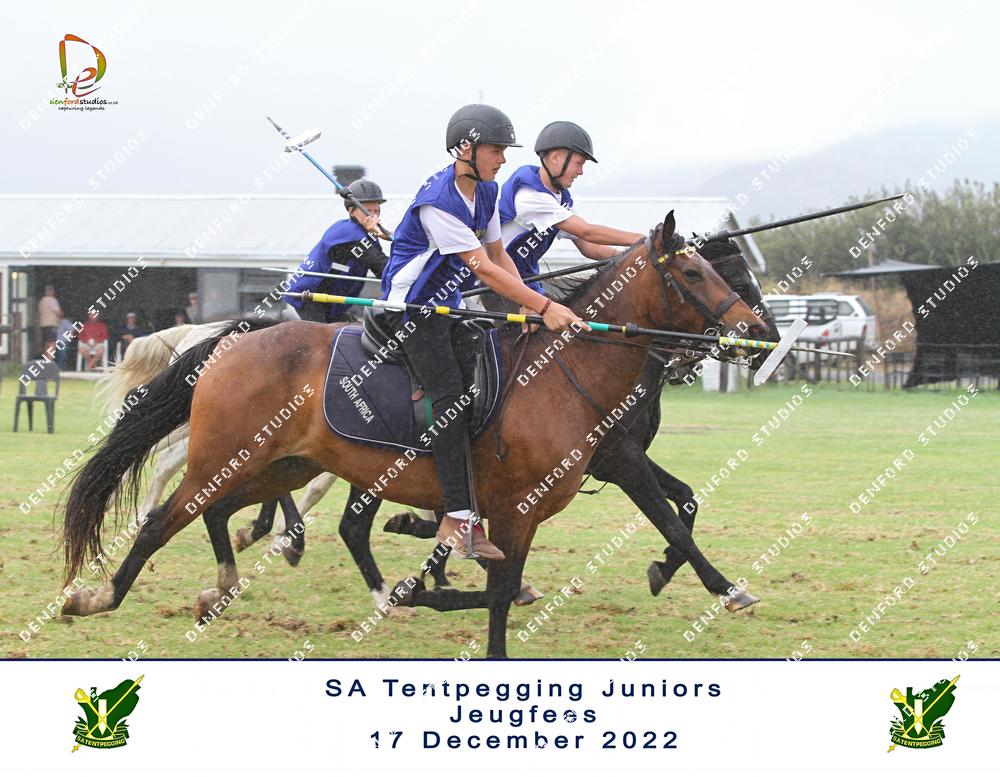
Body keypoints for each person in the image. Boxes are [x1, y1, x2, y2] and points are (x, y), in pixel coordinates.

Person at [380, 104, 586, 560]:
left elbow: (499, 255)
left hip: (449, 307)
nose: (503, 159)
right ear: (466, 149)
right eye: (496, 150)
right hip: (409, 311)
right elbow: (483, 271)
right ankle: (456, 518)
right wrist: (546, 305)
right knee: (451, 400)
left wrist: (527, 301)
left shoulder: (488, 191)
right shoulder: (439, 201)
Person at [498, 121, 644, 320]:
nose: (581, 172)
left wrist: (630, 259)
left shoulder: (558, 199)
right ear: (556, 158)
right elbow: (587, 232)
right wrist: (642, 240)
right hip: (500, 284)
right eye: (579, 163)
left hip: (527, 282)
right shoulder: (530, 196)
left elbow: (589, 247)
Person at [282, 179, 389, 323]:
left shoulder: (369, 237)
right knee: (323, 336)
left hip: (334, 304)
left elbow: (384, 273)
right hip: (309, 298)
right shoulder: (346, 232)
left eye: (376, 211)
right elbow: (380, 264)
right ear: (351, 211)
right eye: (368, 211)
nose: (373, 216)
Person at [37, 284, 63, 360]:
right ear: (51, 291)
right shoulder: (52, 301)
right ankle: (50, 360)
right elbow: (58, 312)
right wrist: (61, 314)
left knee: (46, 344)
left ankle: (46, 360)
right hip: (51, 324)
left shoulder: (41, 301)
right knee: (52, 343)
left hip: (43, 325)